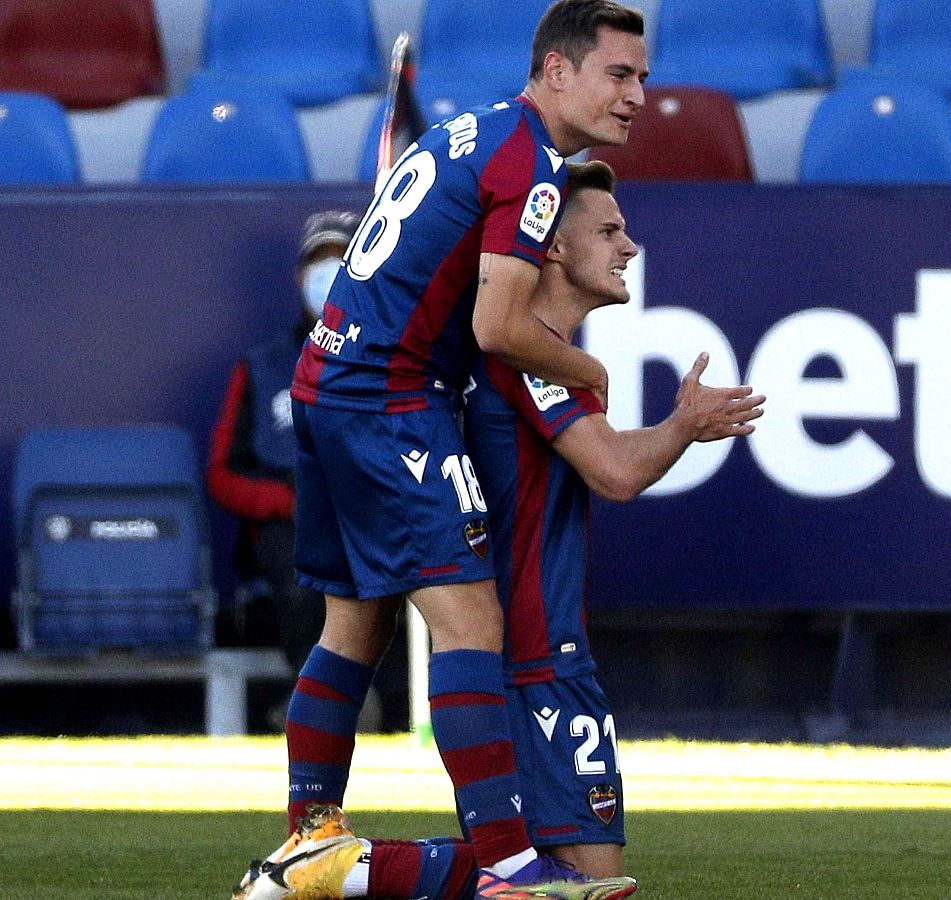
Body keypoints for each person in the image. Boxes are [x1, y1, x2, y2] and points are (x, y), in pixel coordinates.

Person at [232, 162, 763, 900]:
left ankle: (335, 862)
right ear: (550, 247)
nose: (629, 247)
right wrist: (682, 426)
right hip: (534, 653)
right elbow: (614, 471)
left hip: (534, 649)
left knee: (561, 878)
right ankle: (344, 869)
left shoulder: (510, 354)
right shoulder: (528, 353)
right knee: (579, 881)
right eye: (609, 230)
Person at [241, 3, 651, 899]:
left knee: (355, 622)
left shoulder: (469, 132)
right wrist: (589, 369)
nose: (637, 97)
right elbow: (498, 324)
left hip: (325, 383)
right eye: (620, 76)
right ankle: (506, 866)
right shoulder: (531, 162)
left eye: (642, 79)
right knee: (472, 624)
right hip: (392, 399)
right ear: (557, 72)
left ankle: (311, 837)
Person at [207, 211, 359, 674]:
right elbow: (222, 474)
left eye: (341, 262)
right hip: (284, 524)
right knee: (302, 582)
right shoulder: (259, 368)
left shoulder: (391, 360)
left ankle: (368, 701)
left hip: (365, 517)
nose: (327, 277)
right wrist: (286, 500)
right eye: (319, 264)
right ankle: (325, 702)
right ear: (299, 277)